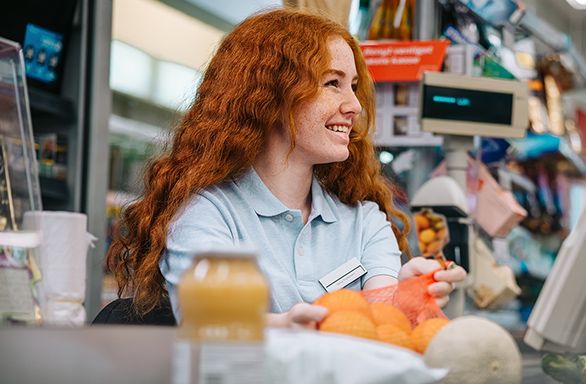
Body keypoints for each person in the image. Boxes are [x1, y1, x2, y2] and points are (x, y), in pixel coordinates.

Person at [106, 8, 466, 329]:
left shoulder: (365, 222)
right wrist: (282, 328)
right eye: (333, 83)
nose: (354, 105)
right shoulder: (209, 215)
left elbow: (378, 318)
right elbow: (212, 324)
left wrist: (406, 294)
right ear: (270, 95)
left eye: (353, 86)